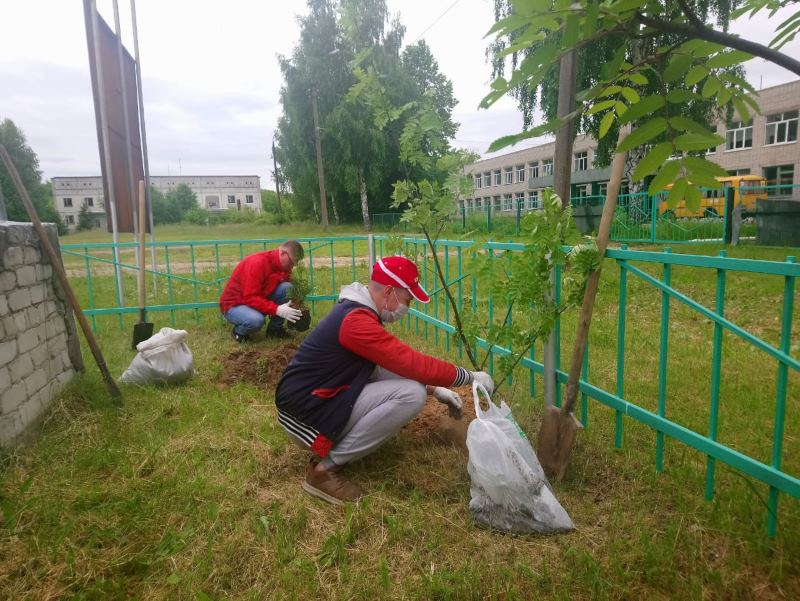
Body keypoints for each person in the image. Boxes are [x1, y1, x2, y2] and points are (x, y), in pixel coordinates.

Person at [275, 255, 494, 505]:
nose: (408, 307)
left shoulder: (356, 312)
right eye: (407, 299)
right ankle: (324, 472)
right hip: (305, 414)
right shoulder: (356, 322)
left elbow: (377, 370)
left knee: (414, 389)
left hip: (307, 403)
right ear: (389, 292)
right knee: (411, 395)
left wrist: (435, 389)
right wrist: (469, 376)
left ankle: (336, 450)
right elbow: (411, 362)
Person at [220, 240, 305, 342]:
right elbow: (250, 297)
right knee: (256, 320)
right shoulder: (257, 263)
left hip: (255, 300)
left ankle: (275, 330)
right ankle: (238, 332)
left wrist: (296, 304)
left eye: (294, 264)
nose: (292, 266)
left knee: (287, 288)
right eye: (291, 262)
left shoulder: (283, 266)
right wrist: (277, 309)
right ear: (282, 253)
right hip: (234, 305)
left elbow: (286, 285)